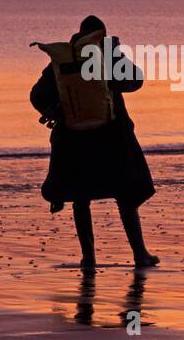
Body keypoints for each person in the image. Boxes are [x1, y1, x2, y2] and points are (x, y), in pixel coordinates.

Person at [30, 15, 159, 267]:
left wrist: (55, 112)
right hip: (112, 137)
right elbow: (135, 81)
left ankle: (88, 257)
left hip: (74, 140)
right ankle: (139, 254)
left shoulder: (63, 59)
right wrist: (116, 56)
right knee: (126, 195)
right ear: (101, 34)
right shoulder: (107, 54)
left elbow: (36, 96)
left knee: (81, 197)